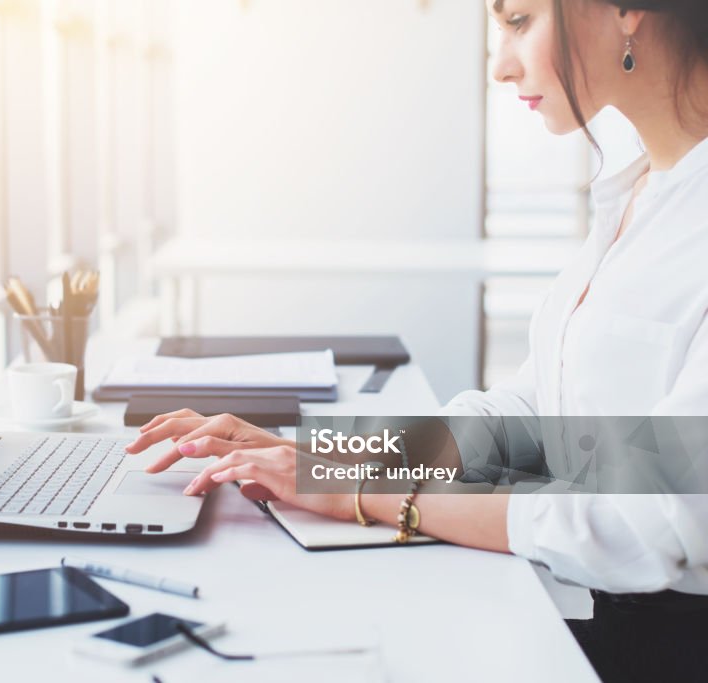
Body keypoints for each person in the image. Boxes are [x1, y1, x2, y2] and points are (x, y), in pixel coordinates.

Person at [126, 1, 708, 680]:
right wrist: (328, 457)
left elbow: (653, 519)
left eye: (519, 20)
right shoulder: (638, 189)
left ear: (626, 11)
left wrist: (366, 494)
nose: (500, 64)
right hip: (592, 611)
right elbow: (536, 420)